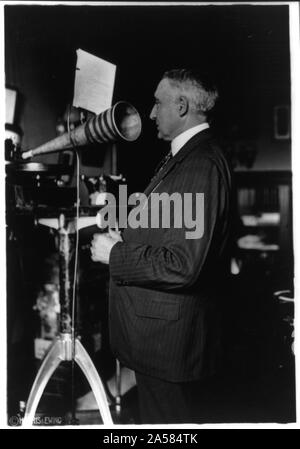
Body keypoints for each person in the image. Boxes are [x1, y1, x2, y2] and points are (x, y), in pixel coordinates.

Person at [90, 69, 232, 424]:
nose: (151, 113)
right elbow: (172, 230)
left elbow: (184, 264)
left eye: (157, 103)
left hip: (170, 347)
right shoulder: (184, 157)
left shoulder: (200, 164)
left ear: (181, 105)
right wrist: (128, 228)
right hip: (161, 342)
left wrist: (115, 253)